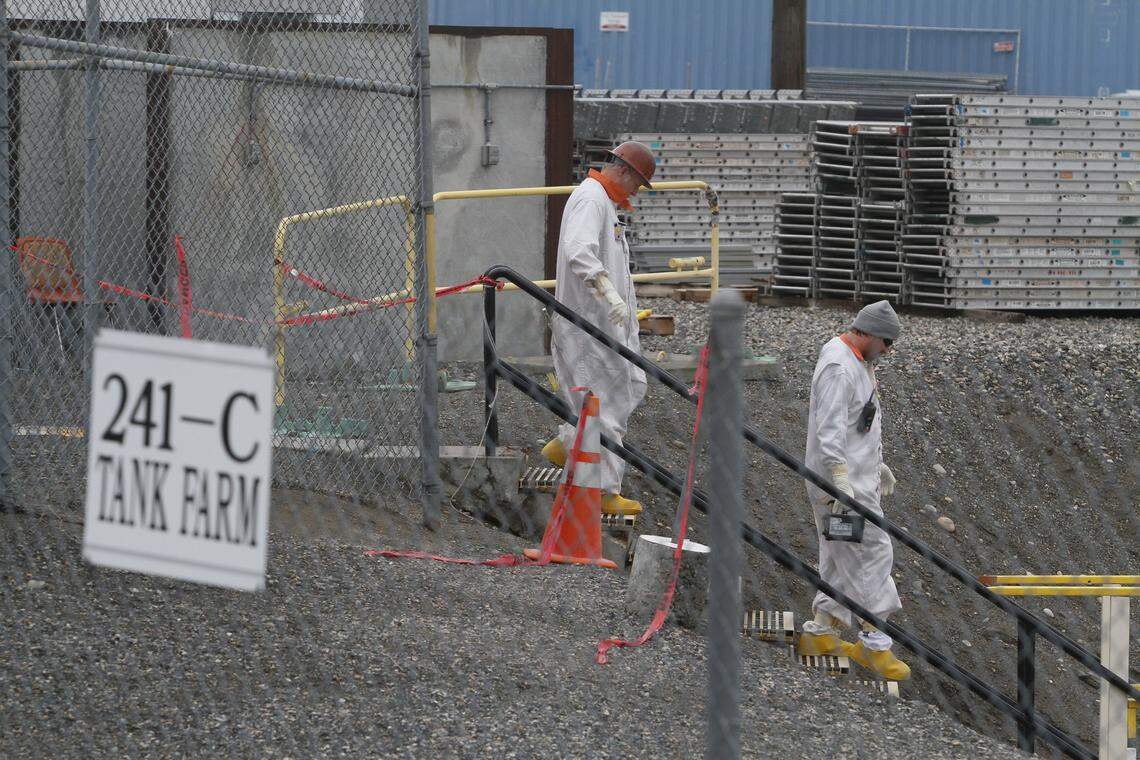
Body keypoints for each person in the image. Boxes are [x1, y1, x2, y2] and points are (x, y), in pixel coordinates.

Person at [540, 141, 656, 516]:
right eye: (638, 183)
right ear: (624, 171)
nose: (636, 191)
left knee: (622, 389)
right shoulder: (591, 200)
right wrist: (608, 293)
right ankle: (605, 491)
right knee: (602, 403)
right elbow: (579, 251)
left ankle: (568, 443)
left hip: (602, 324)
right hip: (588, 325)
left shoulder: (604, 203)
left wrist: (619, 303)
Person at [796, 300, 910, 681]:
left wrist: (877, 467)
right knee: (874, 553)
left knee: (838, 554)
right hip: (840, 487)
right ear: (869, 333)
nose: (889, 350)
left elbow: (855, 426)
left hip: (854, 480)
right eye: (887, 342)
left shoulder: (859, 362)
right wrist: (840, 479)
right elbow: (829, 429)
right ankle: (875, 643)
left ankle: (820, 631)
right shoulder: (839, 367)